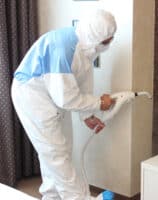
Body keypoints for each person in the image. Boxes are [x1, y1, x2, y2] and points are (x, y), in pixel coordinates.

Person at [11, 9, 117, 200]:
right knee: (55, 152)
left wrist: (88, 115)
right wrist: (99, 103)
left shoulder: (87, 46)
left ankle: (51, 197)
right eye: (107, 41)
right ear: (96, 37)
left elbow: (82, 83)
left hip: (53, 93)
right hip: (32, 94)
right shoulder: (62, 48)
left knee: (63, 148)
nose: (109, 44)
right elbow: (67, 98)